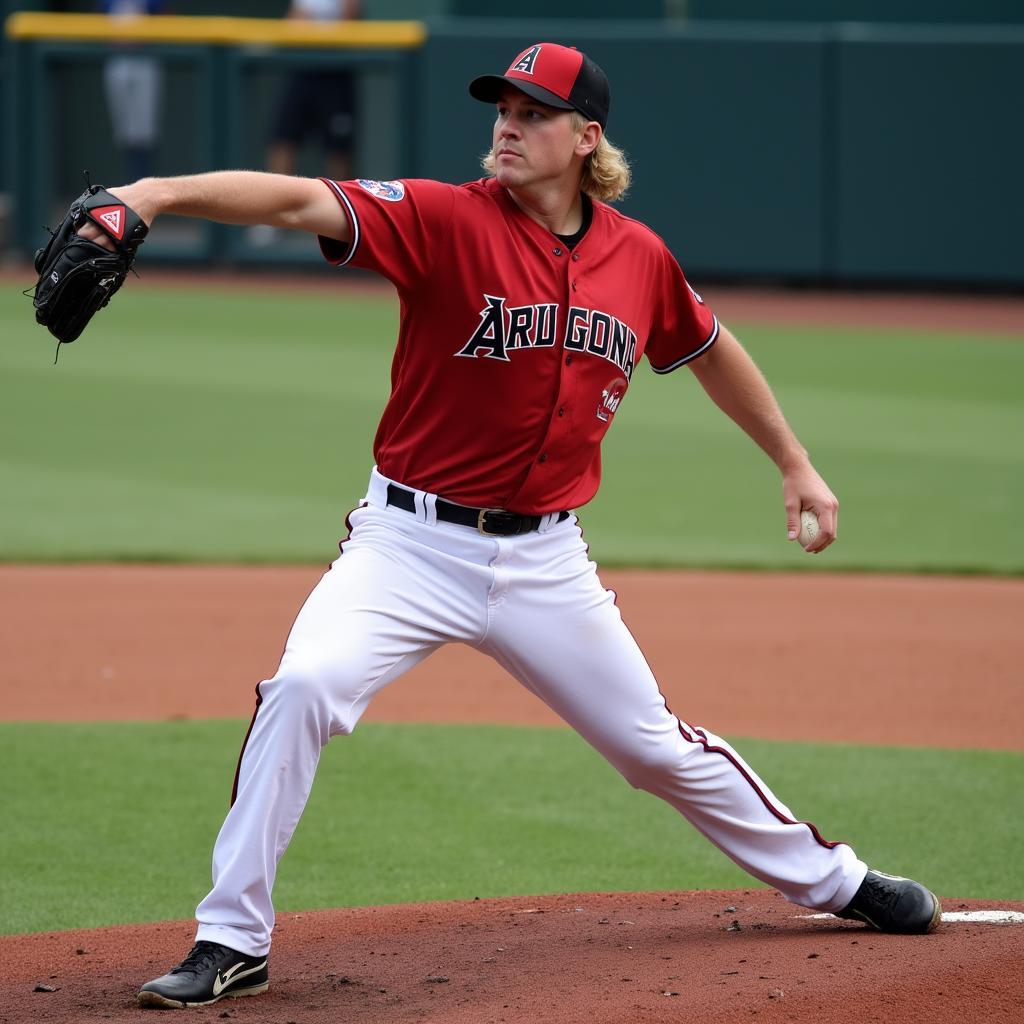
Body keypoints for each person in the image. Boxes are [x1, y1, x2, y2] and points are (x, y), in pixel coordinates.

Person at [78, 42, 941, 1011]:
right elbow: (294, 201)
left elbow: (706, 346)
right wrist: (151, 191)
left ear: (586, 138)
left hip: (546, 561)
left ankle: (837, 881)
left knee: (653, 745)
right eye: (502, 108)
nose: (507, 125)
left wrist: (792, 457)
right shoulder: (442, 219)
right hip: (407, 545)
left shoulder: (637, 256)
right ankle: (231, 938)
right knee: (305, 684)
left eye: (533, 113)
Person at [248, 0, 361, 247]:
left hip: (335, 72)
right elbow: (293, 22)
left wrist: (309, 29)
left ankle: (343, 222)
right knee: (282, 140)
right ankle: (272, 218)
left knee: (338, 152)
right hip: (303, 68)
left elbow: (346, 21)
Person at [99, 0, 166, 183]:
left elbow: (165, 18)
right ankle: (130, 184)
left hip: (145, 61)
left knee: (145, 132)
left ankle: (144, 182)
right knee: (124, 133)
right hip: (118, 61)